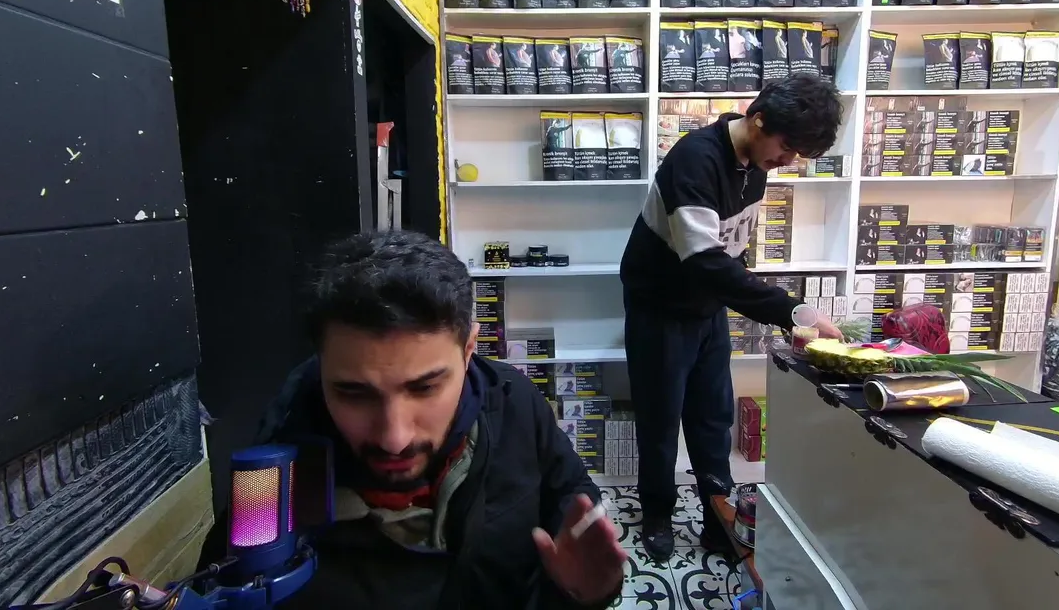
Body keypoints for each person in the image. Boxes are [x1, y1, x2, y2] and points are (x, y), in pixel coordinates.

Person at [202, 230, 626, 608]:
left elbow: (570, 494)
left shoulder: (515, 401)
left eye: (424, 388)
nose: (394, 437)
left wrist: (581, 592)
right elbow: (226, 581)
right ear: (322, 363)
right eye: (354, 393)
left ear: (468, 350)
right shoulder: (270, 480)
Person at [618, 74, 845, 561]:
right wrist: (793, 311)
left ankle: (717, 518)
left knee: (713, 420)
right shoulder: (694, 159)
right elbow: (705, 262)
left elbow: (729, 254)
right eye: (787, 148)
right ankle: (657, 513)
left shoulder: (755, 166)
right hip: (659, 309)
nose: (788, 161)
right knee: (660, 421)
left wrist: (781, 310)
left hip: (706, 308)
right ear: (757, 120)